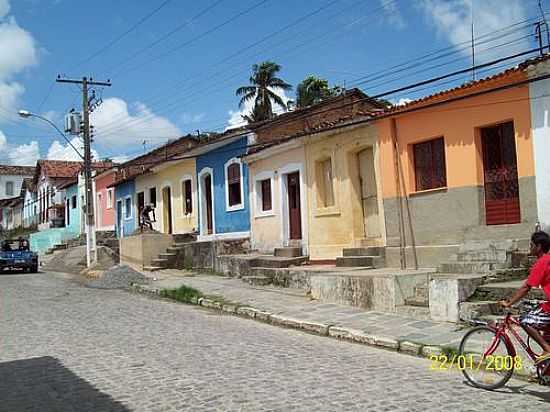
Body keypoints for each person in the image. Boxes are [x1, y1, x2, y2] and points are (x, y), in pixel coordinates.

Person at [500, 231, 550, 364]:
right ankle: (546, 372)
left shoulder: (542, 262)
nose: (530, 248)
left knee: (525, 320)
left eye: (531, 245)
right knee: (547, 335)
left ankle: (547, 349)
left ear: (538, 247)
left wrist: (509, 303)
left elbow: (526, 288)